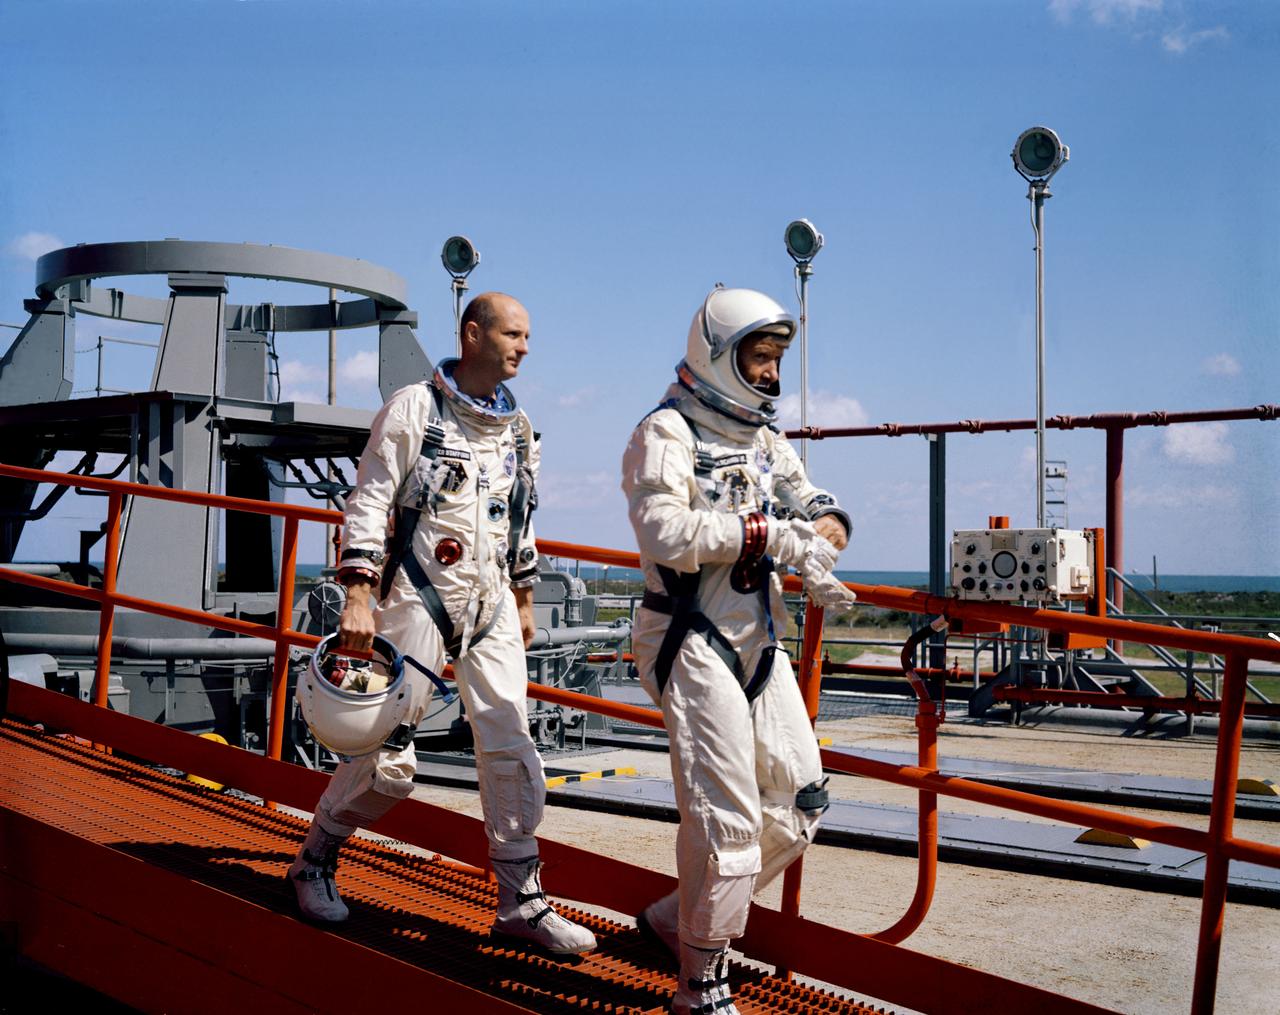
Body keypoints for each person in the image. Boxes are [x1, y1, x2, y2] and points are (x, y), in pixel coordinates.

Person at [289, 292, 597, 955]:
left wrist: (520, 594)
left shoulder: (516, 429)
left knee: (512, 748)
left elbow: (520, 514)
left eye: (527, 334)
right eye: (513, 333)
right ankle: (313, 860)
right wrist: (360, 595)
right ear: (473, 333)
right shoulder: (415, 410)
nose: (524, 346)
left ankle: (520, 901)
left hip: (489, 609)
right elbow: (369, 498)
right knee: (387, 759)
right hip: (418, 599)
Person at [620, 286, 856, 1014]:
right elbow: (664, 531)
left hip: (758, 634)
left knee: (802, 798)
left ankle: (675, 920)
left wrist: (826, 526)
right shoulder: (666, 433)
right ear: (720, 356)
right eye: (760, 358)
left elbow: (811, 497)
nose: (772, 375)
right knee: (725, 818)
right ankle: (700, 981)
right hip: (690, 635)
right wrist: (765, 535)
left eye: (778, 359)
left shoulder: (760, 438)